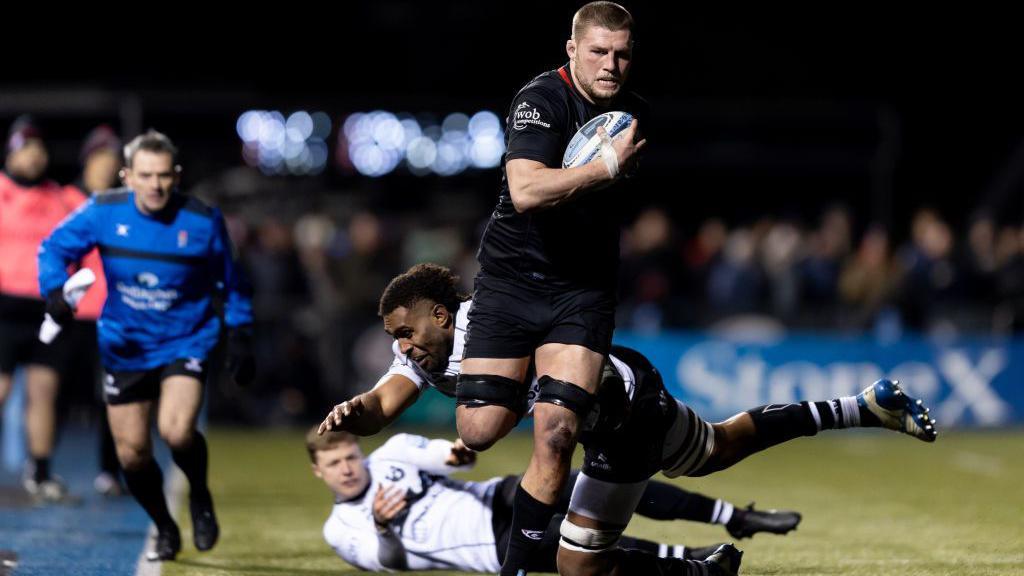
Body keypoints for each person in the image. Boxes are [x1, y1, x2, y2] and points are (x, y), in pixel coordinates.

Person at [320, 263, 937, 576]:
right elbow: (384, 404)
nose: (401, 345)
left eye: (406, 331)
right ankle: (861, 405)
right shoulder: (421, 356)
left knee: (575, 561)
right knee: (718, 448)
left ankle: (692, 571)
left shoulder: (494, 320)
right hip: (612, 410)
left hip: (616, 405)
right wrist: (356, 411)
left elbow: (519, 396)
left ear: (440, 312)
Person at [456, 3, 649, 572]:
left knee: (558, 433)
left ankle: (518, 568)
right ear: (572, 49)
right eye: (598, 51)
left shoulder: (636, 113)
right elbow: (527, 192)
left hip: (581, 292)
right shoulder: (538, 101)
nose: (611, 65)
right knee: (480, 427)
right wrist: (606, 169)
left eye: (621, 54)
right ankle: (528, 381)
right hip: (511, 282)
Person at [38, 129, 255, 561]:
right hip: (126, 345)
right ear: (128, 176)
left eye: (163, 176)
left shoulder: (201, 220)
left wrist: (241, 334)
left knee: (175, 431)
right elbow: (53, 248)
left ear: (176, 176)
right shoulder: (103, 210)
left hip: (185, 338)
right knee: (132, 454)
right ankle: (164, 526)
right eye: (145, 175)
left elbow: (232, 283)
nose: (155, 185)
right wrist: (55, 292)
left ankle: (199, 495)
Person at [308, 429, 800, 573]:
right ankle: (691, 562)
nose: (349, 467)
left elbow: (450, 458)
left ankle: (735, 517)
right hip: (487, 548)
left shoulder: (390, 453)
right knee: (584, 547)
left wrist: (458, 453)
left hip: (497, 495)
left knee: (599, 483)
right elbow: (391, 565)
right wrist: (383, 526)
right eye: (335, 464)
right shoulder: (340, 530)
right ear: (319, 472)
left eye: (351, 455)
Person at [0, 115, 86, 502]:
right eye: (25, 149)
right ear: (11, 153)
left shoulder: (62, 198)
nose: (33, 157)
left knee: (43, 392)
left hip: (47, 309)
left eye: (39, 149)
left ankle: (40, 471)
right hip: (4, 308)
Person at [65, 124, 123, 496]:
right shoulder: (66, 198)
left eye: (112, 159)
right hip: (71, 313)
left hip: (112, 313)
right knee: (52, 392)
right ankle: (37, 465)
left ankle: (109, 470)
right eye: (100, 157)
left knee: (111, 395)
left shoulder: (123, 203)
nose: (106, 165)